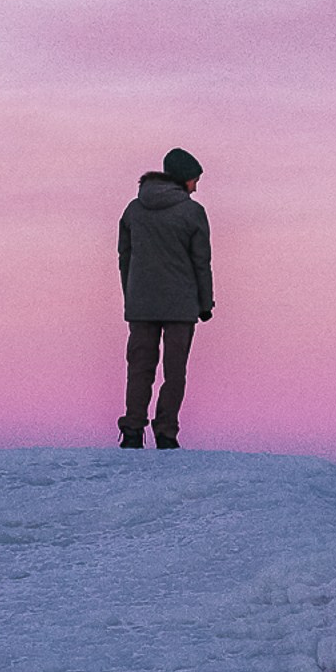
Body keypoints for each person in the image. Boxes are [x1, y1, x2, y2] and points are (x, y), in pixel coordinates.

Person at [117, 148, 212, 449]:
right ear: (183, 179)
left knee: (139, 368)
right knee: (174, 372)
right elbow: (201, 262)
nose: (196, 187)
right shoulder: (192, 212)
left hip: (141, 304)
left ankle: (132, 430)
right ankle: (166, 432)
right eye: (194, 180)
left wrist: (130, 294)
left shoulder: (134, 210)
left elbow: (125, 257)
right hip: (181, 306)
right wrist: (205, 303)